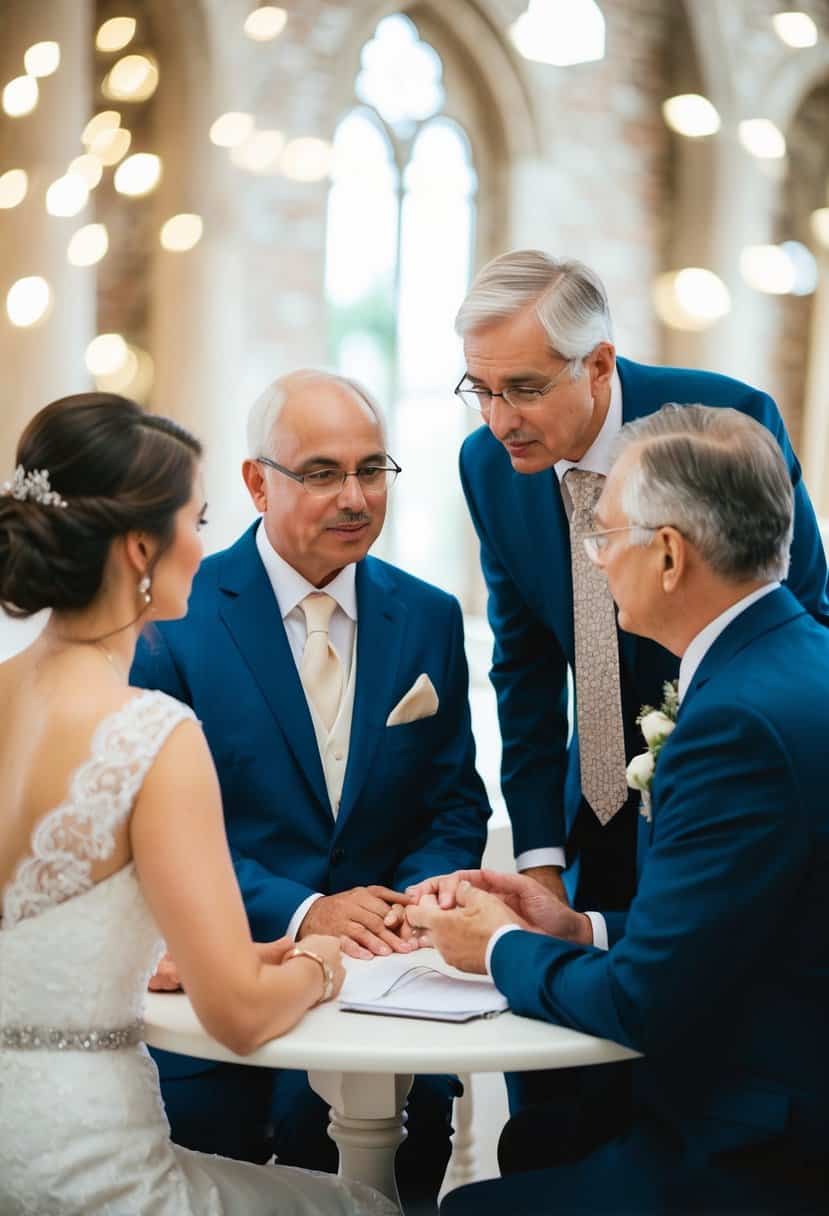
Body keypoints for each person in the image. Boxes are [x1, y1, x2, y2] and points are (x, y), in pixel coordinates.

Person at [453, 249, 829, 1158]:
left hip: (726, 791)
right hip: (591, 821)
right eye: (479, 389)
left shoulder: (723, 421)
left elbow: (800, 609)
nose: (500, 420)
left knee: (680, 1077)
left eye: (524, 389)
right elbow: (524, 665)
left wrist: (708, 761)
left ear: (599, 365)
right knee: (548, 1122)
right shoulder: (486, 466)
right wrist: (542, 860)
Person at [0, 392, 396, 1216]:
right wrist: (322, 964)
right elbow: (242, 1021)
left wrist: (221, 956)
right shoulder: (150, 732)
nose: (206, 546)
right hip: (89, 1175)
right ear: (142, 547)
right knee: (367, 1206)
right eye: (199, 519)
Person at [132, 370, 490, 1211]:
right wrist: (305, 912)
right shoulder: (177, 617)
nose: (355, 497)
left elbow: (453, 801)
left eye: (373, 469)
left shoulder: (428, 616)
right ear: (258, 482)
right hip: (225, 995)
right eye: (321, 473)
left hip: (393, 998)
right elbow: (152, 831)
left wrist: (416, 899)